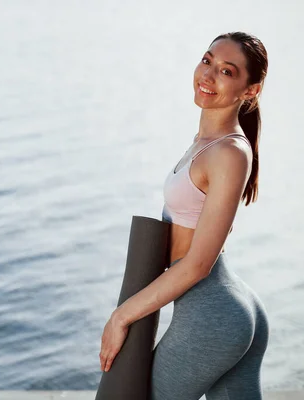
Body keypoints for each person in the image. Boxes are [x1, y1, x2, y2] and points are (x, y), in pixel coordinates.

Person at [99, 32, 270, 399]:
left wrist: (122, 316)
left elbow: (197, 265)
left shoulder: (228, 153)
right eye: (207, 61)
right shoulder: (207, 142)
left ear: (250, 91)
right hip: (228, 307)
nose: (208, 76)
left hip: (212, 316)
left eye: (226, 71)